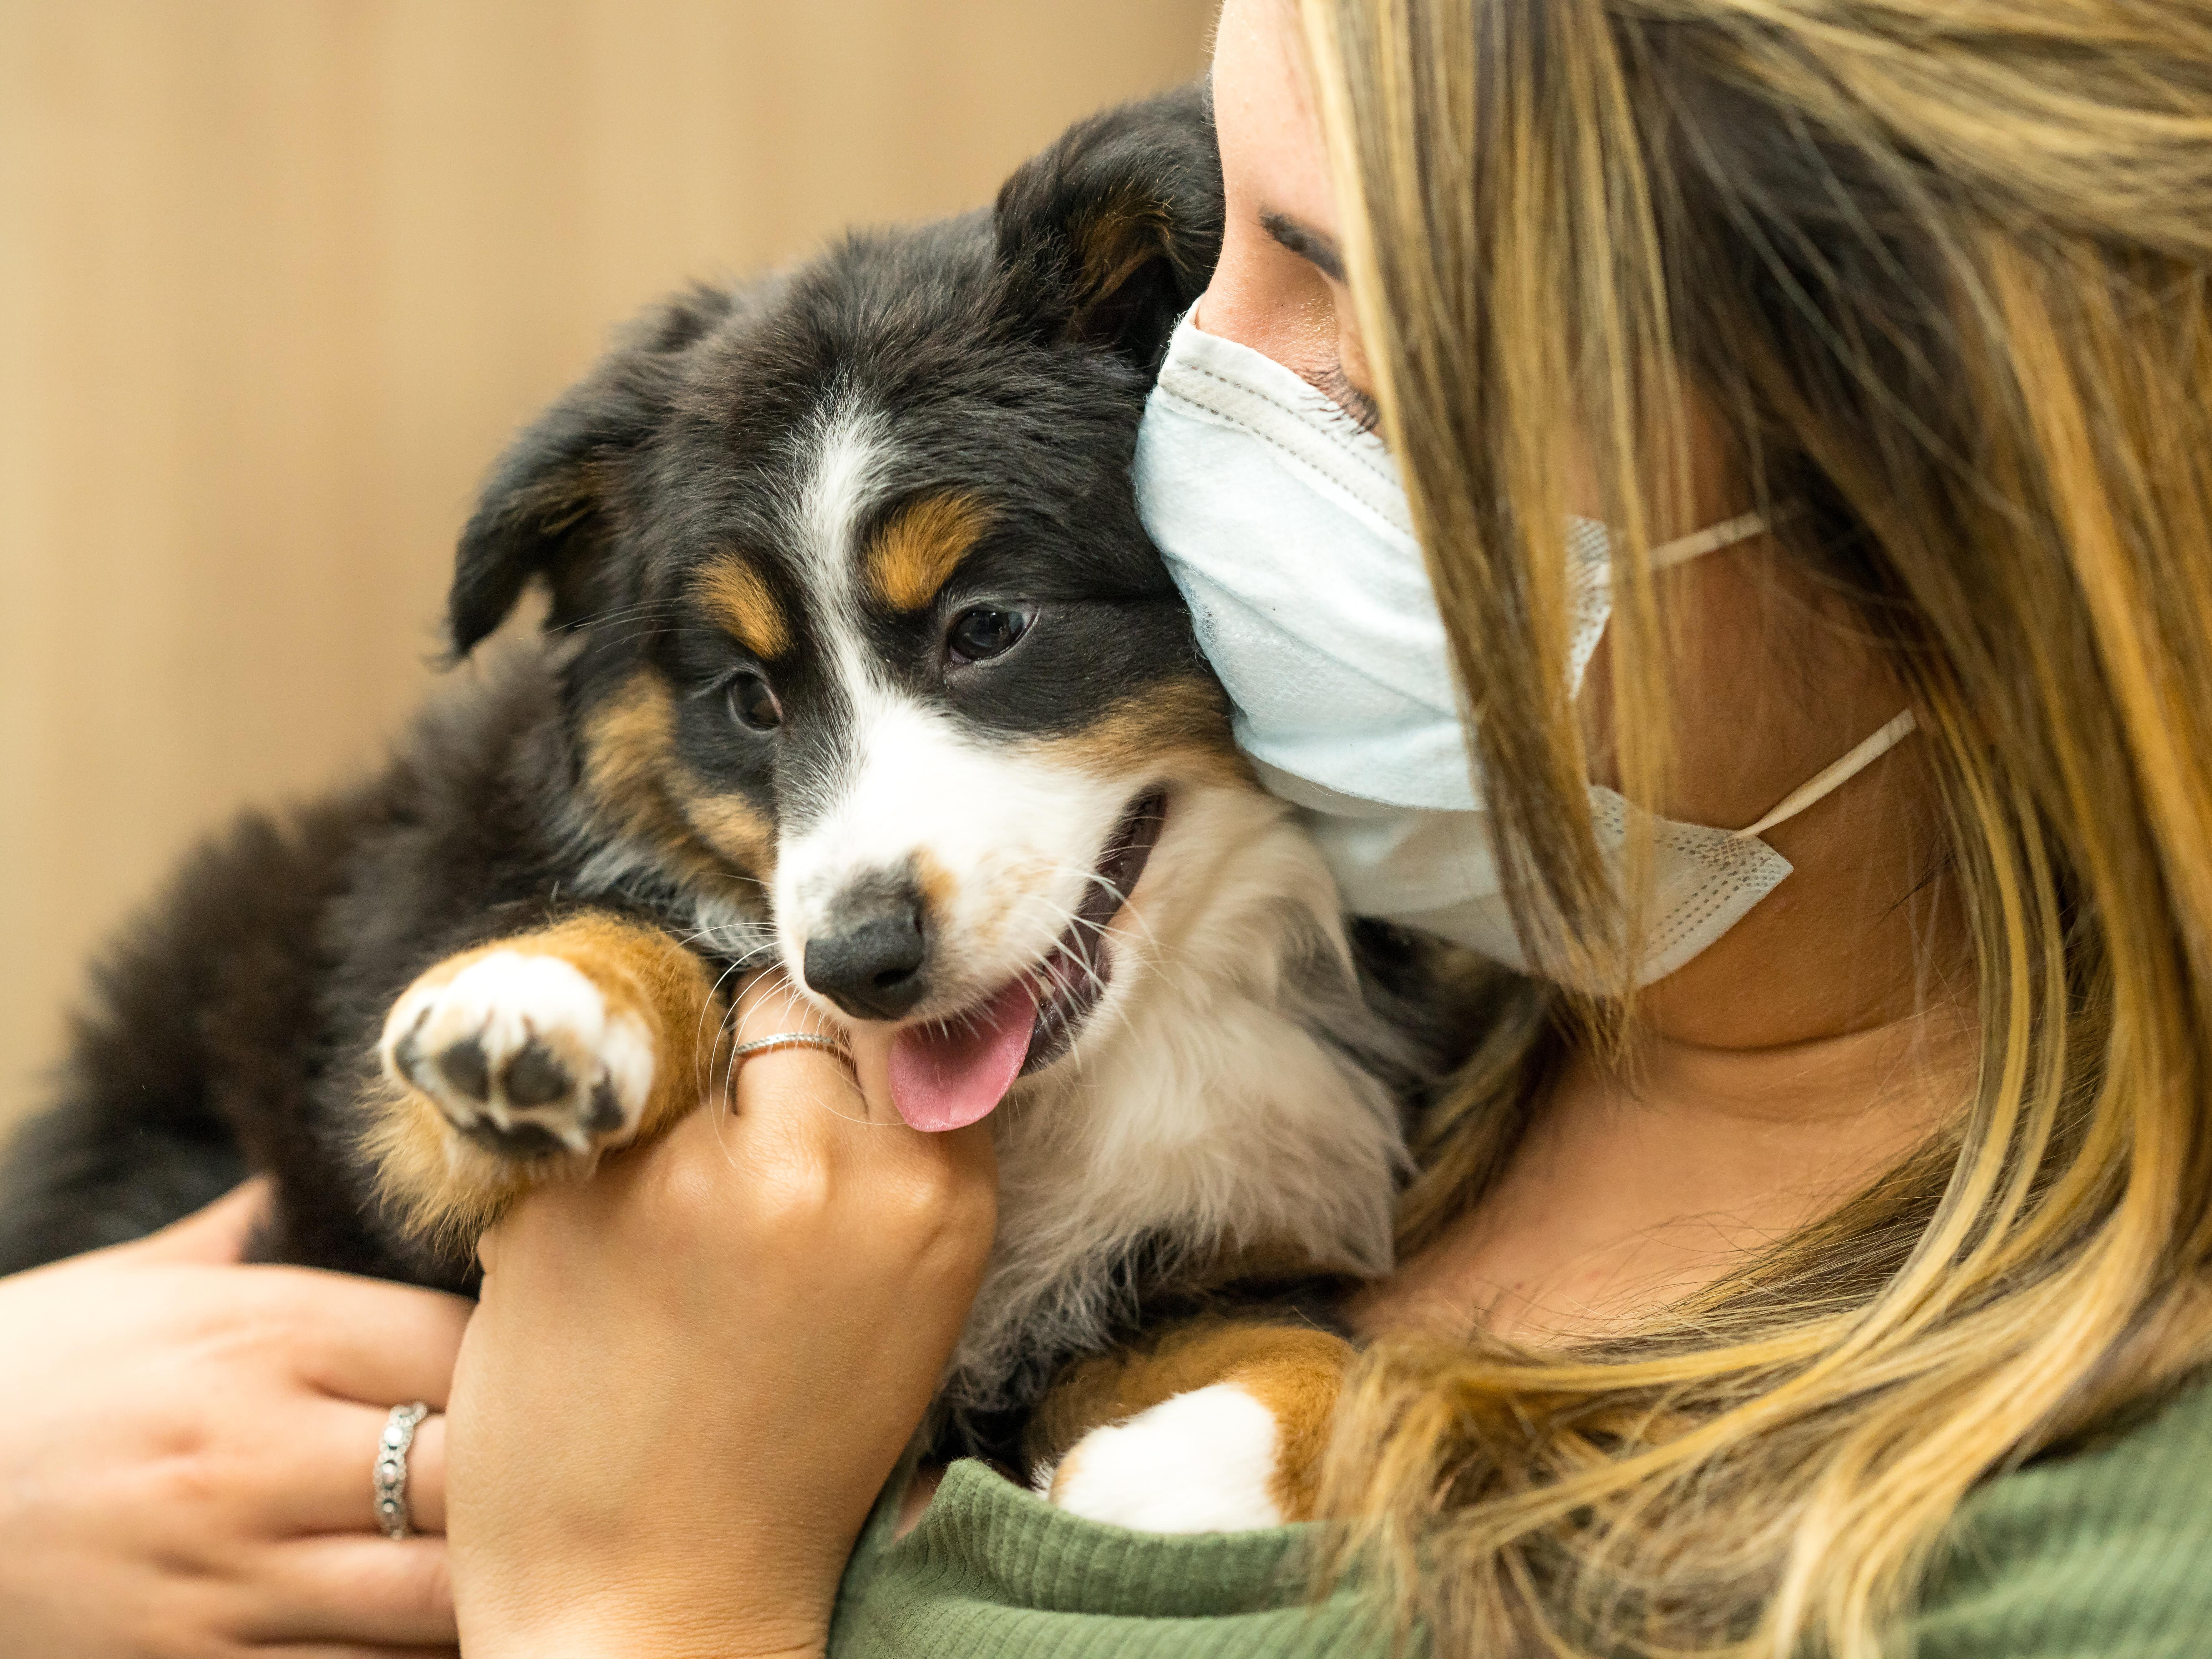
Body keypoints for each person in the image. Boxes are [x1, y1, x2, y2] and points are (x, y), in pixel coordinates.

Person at [15, 0, 2212, 1653]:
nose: (1184, 400)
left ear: (1917, 463)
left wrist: (621, 1585)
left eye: (1338, 287)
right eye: (1211, 251)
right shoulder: (1434, 928)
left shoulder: (2097, 1547)